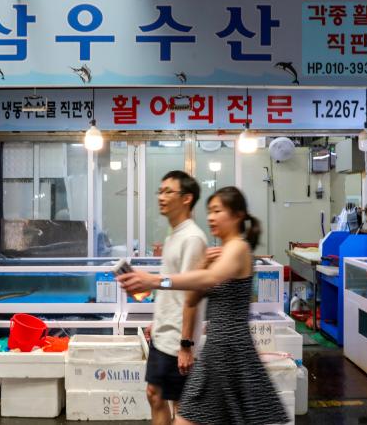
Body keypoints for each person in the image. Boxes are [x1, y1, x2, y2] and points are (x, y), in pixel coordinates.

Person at [119, 186, 289, 425]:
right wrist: (202, 263)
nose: (210, 217)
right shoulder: (219, 253)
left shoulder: (238, 248)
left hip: (232, 352)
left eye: (217, 210)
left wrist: (154, 280)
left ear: (238, 215)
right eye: (209, 210)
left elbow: (210, 280)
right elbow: (192, 298)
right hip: (217, 350)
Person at [144, 170, 207, 425]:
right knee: (155, 395)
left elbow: (190, 295)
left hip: (178, 341)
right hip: (164, 333)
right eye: (160, 191)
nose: (161, 197)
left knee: (182, 409)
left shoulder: (192, 238)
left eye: (168, 191)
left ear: (186, 198)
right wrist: (157, 321)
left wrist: (185, 345)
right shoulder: (174, 234)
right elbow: (171, 286)